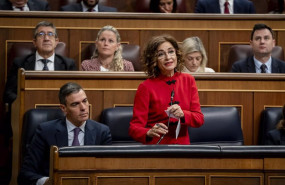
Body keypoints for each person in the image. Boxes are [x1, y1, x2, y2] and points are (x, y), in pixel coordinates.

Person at [17, 82, 112, 185]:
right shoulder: (45, 131)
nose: (83, 107)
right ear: (64, 108)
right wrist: (48, 182)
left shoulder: (102, 132)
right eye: (75, 104)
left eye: (85, 101)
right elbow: (25, 174)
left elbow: (107, 174)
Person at [128, 35, 204, 145]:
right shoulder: (146, 87)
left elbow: (199, 119)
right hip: (157, 147)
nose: (168, 57)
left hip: (182, 148)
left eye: (171, 52)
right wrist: (148, 132)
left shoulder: (189, 80)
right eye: (161, 54)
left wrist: (183, 114)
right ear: (154, 59)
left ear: (177, 54)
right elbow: (134, 128)